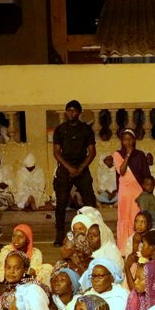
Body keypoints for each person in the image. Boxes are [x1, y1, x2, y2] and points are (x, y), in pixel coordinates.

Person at [48, 100, 98, 241]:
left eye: (74, 110)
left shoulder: (86, 130)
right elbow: (56, 152)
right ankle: (59, 234)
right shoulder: (60, 129)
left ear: (79, 112)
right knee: (61, 202)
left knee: (90, 201)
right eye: (69, 110)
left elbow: (92, 152)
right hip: (65, 167)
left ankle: (94, 231)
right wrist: (69, 168)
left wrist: (80, 168)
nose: (71, 113)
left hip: (82, 166)